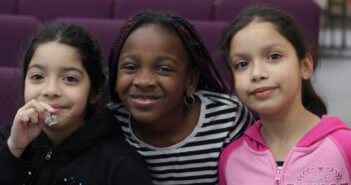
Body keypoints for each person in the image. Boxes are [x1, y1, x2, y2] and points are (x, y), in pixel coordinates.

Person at [107, 11, 254, 185]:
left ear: (190, 81)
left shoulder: (227, 117)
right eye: (130, 67)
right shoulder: (109, 124)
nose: (144, 81)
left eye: (164, 69)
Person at [0, 22, 152, 185]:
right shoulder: (7, 139)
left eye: (70, 79)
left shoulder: (120, 164)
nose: (51, 90)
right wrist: (13, 150)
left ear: (95, 92)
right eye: (37, 77)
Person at [218, 6, 351, 185]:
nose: (257, 73)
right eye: (242, 64)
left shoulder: (344, 146)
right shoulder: (231, 158)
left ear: (305, 66)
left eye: (273, 57)